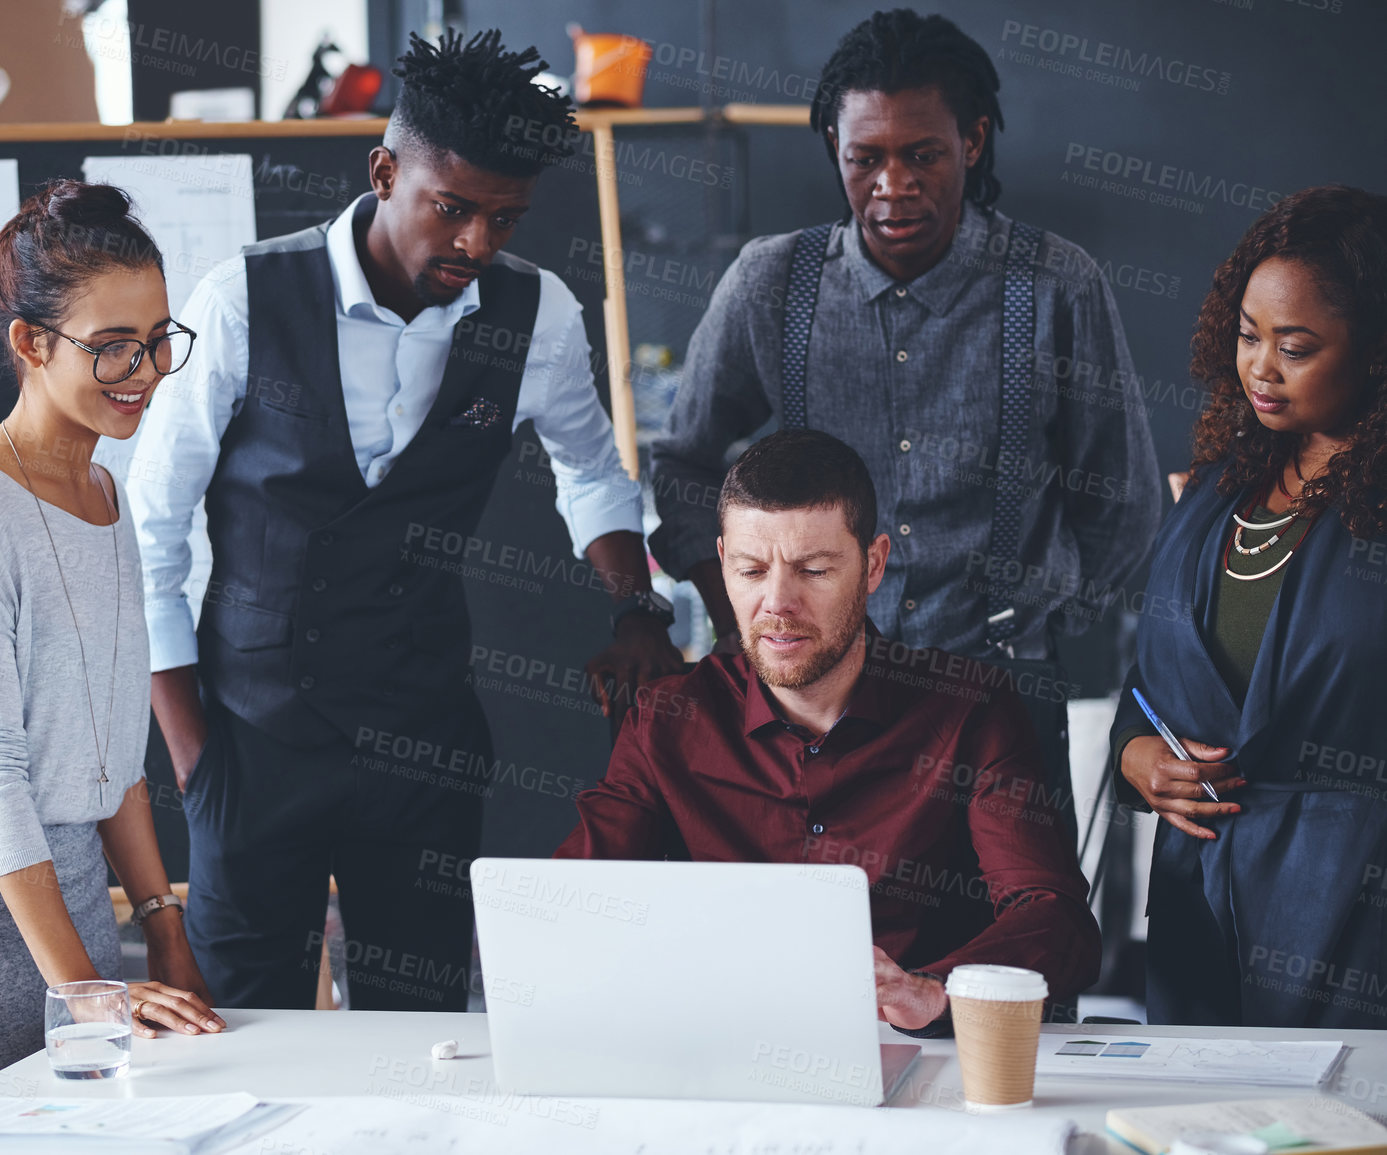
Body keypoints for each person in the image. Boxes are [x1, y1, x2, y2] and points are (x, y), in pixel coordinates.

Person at [127, 30, 681, 1012]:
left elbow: (591, 473)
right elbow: (150, 539)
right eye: (452, 210)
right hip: (251, 746)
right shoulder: (244, 301)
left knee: (419, 1032)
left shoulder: (537, 314)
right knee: (248, 1029)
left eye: (504, 221)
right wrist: (196, 760)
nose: (475, 244)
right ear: (385, 172)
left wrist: (637, 606)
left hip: (423, 741)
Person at [648, 8, 1161, 832]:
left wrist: (1044, 625)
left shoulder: (1059, 284)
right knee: (824, 951)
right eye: (865, 159)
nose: (892, 185)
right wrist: (740, 619)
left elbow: (1125, 503)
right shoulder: (770, 283)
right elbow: (681, 465)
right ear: (835, 151)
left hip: (1003, 696)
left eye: (921, 154)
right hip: (812, 706)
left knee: (1017, 948)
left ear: (975, 139)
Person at [0, 181, 224, 1115]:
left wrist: (160, 918)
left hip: (73, 896)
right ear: (30, 343)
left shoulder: (107, 496)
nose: (142, 368)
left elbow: (111, 744)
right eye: (110, 345)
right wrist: (81, 990)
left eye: (155, 339)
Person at [558, 429, 1100, 1034]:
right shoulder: (666, 718)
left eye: (813, 570)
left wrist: (935, 993)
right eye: (750, 570)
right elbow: (575, 896)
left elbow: (1056, 920)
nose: (777, 603)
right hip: (724, 1054)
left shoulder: (969, 711)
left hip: (916, 1063)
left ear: (873, 565)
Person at [1111, 185, 1387, 1028]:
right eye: (1246, 335)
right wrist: (1137, 763)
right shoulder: (1213, 488)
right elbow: (1150, 686)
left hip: (1353, 917)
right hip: (1196, 904)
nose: (1259, 367)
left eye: (1293, 346)